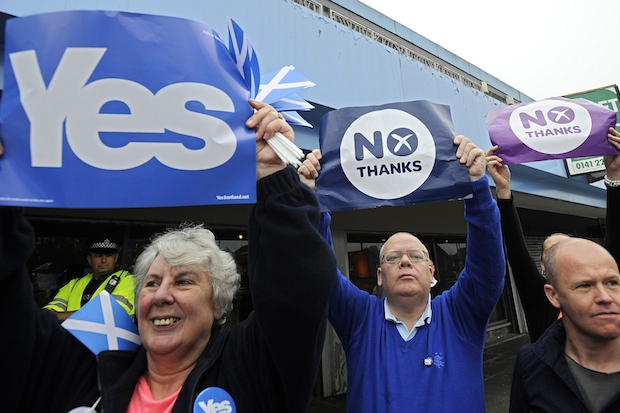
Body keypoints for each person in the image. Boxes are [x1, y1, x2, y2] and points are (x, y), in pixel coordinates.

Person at [1, 100, 336, 412]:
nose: (162, 295)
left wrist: (275, 177)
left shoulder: (251, 367)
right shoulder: (87, 372)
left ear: (217, 305)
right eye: (151, 282)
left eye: (184, 281)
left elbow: (297, 291)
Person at [299, 136, 506, 412]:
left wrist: (478, 187)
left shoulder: (459, 314)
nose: (405, 261)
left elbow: (487, 270)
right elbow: (320, 270)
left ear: (431, 271)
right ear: (380, 276)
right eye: (393, 258)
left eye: (416, 256)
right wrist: (311, 199)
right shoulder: (359, 317)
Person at [486, 126, 620, 342]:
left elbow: (615, 248)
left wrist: (614, 177)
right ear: (542, 267)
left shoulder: (602, 295)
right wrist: (503, 191)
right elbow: (517, 253)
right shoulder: (538, 298)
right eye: (552, 253)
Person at [509, 237, 620, 412]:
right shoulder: (531, 363)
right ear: (553, 295)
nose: (605, 297)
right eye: (585, 285)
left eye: (612, 282)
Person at [44, 236, 135, 319]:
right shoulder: (74, 284)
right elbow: (48, 315)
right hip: (71, 337)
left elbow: (111, 315)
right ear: (89, 259)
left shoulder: (127, 279)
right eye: (98, 256)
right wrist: (89, 315)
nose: (103, 260)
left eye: (108, 255)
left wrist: (67, 317)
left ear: (116, 258)